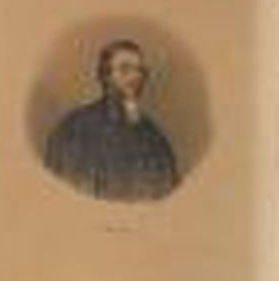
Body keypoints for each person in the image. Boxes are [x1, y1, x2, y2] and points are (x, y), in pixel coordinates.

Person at [44, 39, 179, 201]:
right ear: (105, 76)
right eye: (125, 69)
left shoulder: (154, 138)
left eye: (140, 71)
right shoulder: (74, 130)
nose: (135, 77)